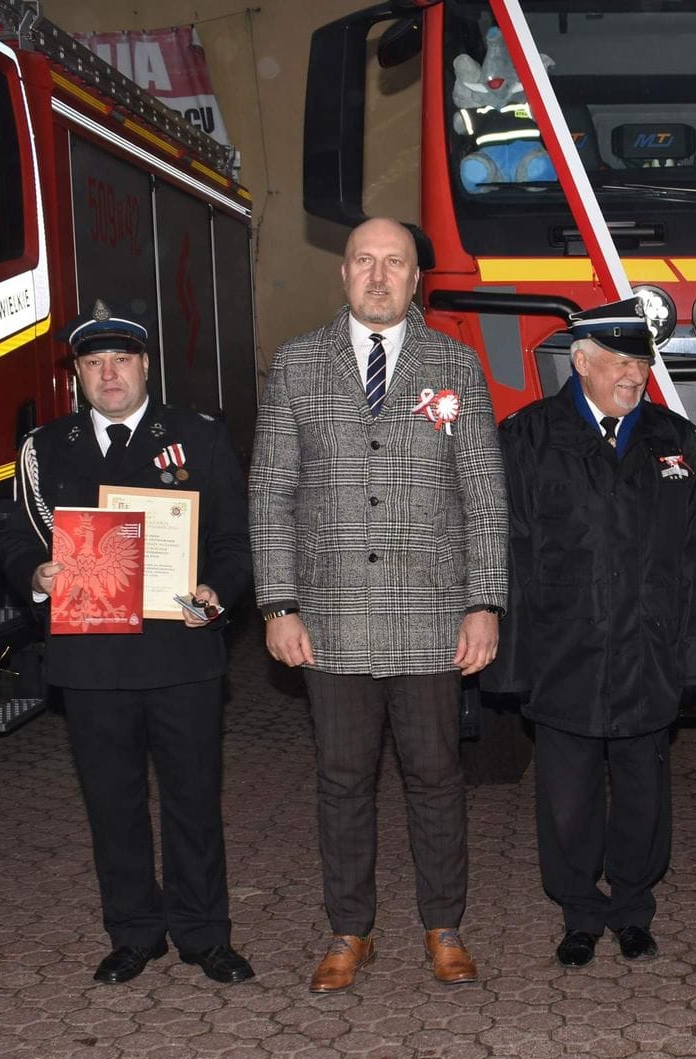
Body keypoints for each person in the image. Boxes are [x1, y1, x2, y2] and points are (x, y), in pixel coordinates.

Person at [249, 217, 509, 993]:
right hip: (329, 618)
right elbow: (270, 493)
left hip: (431, 616)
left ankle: (443, 925)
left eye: (394, 262)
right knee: (340, 777)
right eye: (364, 260)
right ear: (344, 273)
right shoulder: (296, 367)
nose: (378, 275)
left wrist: (484, 601)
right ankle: (348, 930)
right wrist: (278, 604)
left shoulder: (455, 365)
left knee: (435, 774)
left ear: (415, 277)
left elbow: (485, 498)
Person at [0, 303, 255, 985]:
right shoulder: (45, 449)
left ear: (145, 364)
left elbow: (233, 539)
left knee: (194, 800)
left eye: (122, 360)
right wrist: (36, 574)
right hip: (92, 657)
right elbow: (15, 534)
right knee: (111, 802)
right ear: (78, 373)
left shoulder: (196, 437)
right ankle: (134, 933)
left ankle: (205, 933)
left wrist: (217, 592)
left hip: (181, 655)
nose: (108, 374)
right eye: (92, 363)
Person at [490, 299, 696, 968]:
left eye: (642, 362)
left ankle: (632, 907)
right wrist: (512, 663)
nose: (635, 374)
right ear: (581, 361)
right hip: (566, 652)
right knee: (567, 800)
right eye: (621, 361)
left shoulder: (671, 439)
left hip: (647, 651)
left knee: (644, 794)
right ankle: (580, 911)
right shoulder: (530, 436)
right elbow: (513, 552)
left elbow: (692, 553)